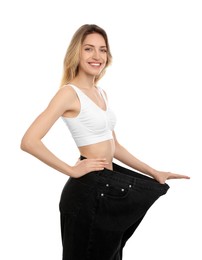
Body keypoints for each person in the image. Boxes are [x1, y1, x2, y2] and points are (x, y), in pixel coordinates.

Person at [20, 24, 190, 260]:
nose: (97, 56)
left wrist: (153, 171)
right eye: (89, 49)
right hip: (88, 190)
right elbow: (29, 141)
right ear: (76, 53)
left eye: (102, 50)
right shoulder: (68, 93)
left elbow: (114, 146)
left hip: (107, 189)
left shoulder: (101, 93)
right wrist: (71, 169)